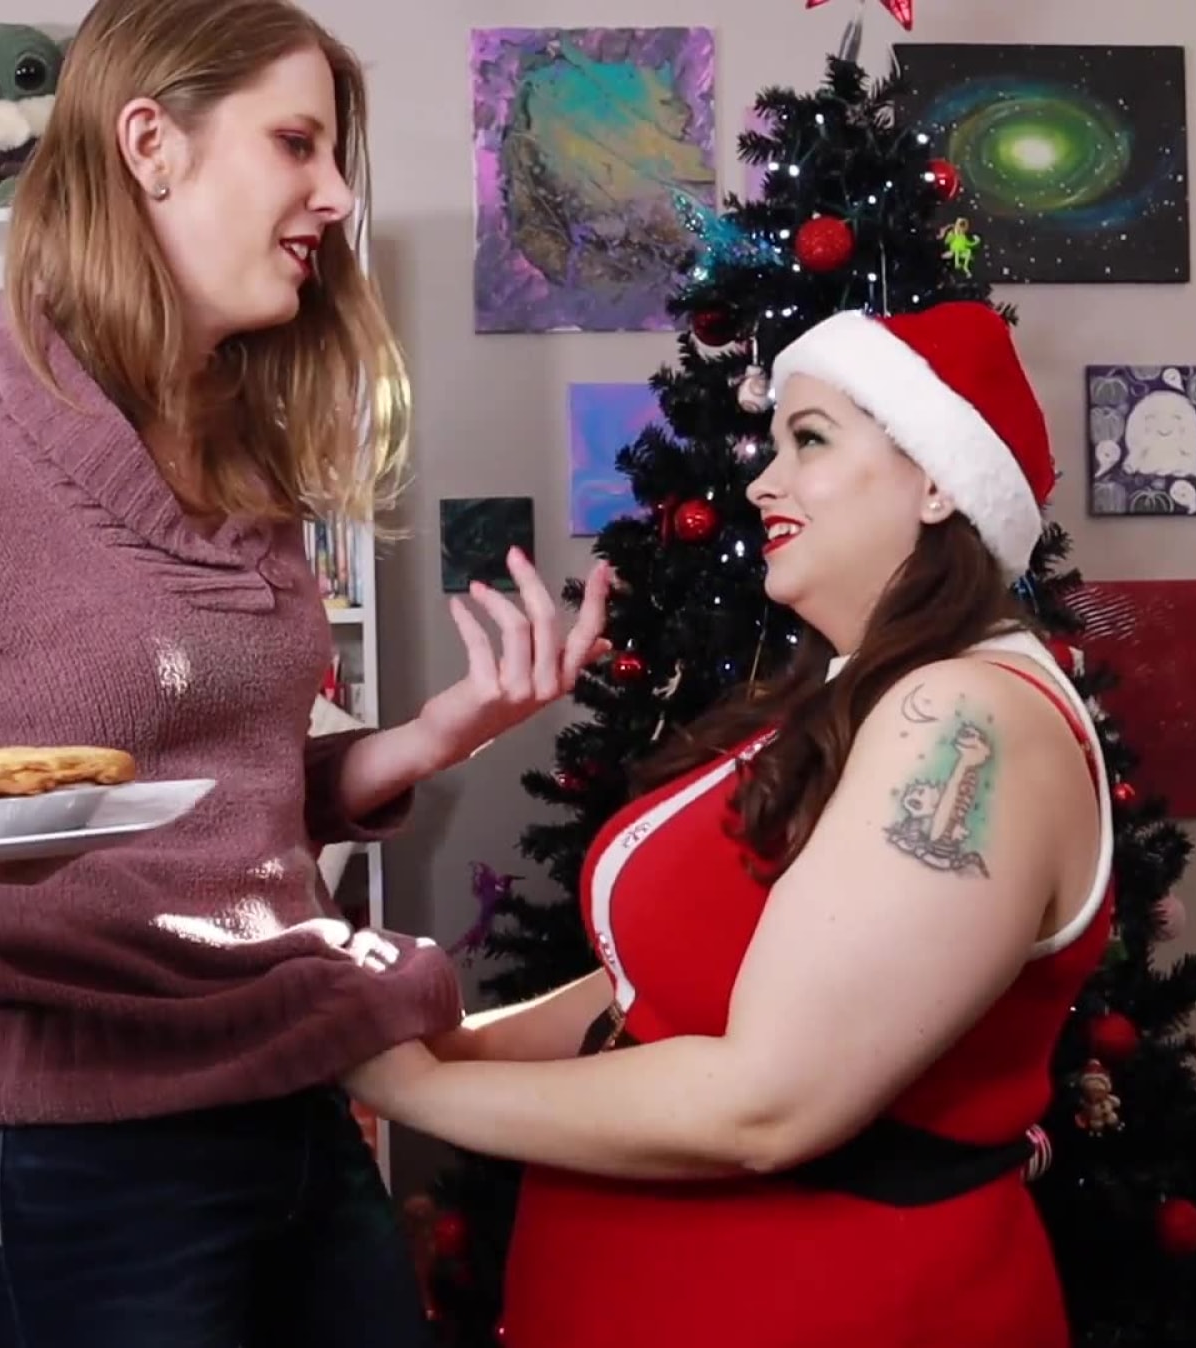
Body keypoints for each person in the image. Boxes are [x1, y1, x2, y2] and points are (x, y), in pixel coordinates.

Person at [0, 2, 608, 1345]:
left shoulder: (240, 456)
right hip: (66, 1167)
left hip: (294, 1106)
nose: (336, 196)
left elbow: (207, 794)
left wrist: (431, 737)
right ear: (150, 143)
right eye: (295, 144)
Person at [345, 301, 1115, 1347]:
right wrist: (454, 1043)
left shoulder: (965, 720)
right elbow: (650, 983)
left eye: (810, 439)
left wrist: (414, 1090)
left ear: (938, 480)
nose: (761, 482)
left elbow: (770, 1102)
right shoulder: (850, 695)